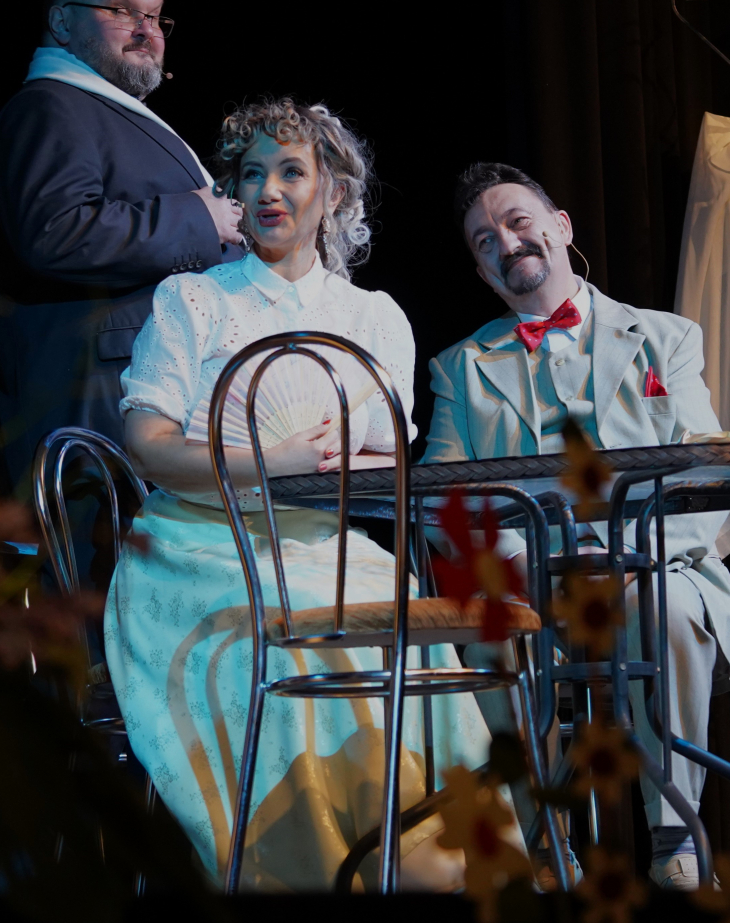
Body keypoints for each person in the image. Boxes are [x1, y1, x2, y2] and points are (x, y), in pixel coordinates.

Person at [108, 99, 488, 892]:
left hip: (323, 546)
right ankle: (315, 867)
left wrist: (345, 455)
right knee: (294, 629)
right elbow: (146, 444)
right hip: (197, 547)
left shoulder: (371, 317)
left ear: (333, 193)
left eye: (291, 172)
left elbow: (390, 446)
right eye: (252, 175)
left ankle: (436, 853)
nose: (269, 191)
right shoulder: (196, 301)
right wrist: (269, 460)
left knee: (403, 618)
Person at [421, 162, 730, 891]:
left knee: (662, 608)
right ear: (480, 270)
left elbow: (703, 469)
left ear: (560, 226)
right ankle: (544, 848)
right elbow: (440, 499)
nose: (506, 242)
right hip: (526, 579)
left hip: (652, 567)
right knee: (493, 629)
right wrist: (527, 562)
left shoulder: (668, 339)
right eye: (484, 241)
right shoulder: (458, 368)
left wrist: (628, 557)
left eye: (517, 221)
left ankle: (676, 840)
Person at [0, 0, 245, 493]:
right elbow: (57, 233)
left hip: (149, 395)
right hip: (97, 405)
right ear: (61, 22)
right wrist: (199, 217)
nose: (146, 30)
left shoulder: (102, 110)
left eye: (155, 16)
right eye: (121, 11)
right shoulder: (49, 107)